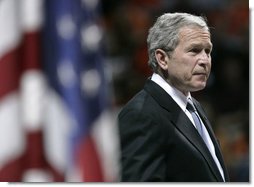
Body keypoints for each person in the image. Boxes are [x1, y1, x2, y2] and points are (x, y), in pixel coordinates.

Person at [117, 12, 230, 182]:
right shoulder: (141, 114)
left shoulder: (193, 106)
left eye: (208, 51)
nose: (205, 60)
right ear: (162, 58)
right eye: (194, 50)